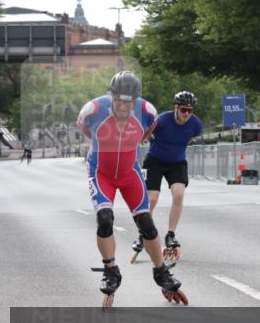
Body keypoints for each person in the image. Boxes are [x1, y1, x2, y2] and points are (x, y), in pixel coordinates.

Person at [76, 71, 187, 308]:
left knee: (146, 223)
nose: (122, 106)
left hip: (129, 173)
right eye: (118, 100)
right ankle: (111, 270)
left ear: (135, 100)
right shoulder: (93, 109)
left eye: (128, 102)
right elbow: (84, 129)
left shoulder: (148, 112)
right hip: (101, 172)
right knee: (105, 218)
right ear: (111, 95)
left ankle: (161, 272)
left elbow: (146, 133)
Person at [131, 91, 203, 262]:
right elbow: (146, 135)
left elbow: (190, 138)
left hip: (177, 162)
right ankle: (143, 233)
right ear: (176, 108)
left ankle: (170, 234)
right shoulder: (162, 119)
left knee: (179, 194)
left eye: (190, 110)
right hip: (155, 161)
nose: (187, 114)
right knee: (152, 199)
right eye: (183, 109)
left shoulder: (196, 124)